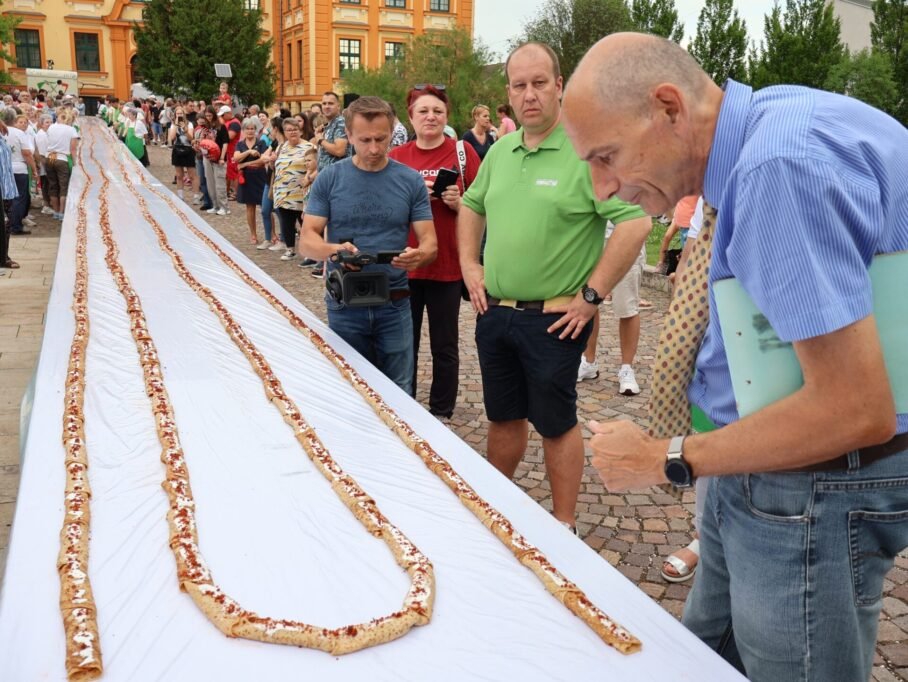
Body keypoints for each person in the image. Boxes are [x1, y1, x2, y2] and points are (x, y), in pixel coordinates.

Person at [563, 33, 908, 682]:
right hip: (764, 463)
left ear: (668, 108)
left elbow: (856, 408)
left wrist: (666, 458)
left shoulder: (778, 168)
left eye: (606, 157)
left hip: (809, 480)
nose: (603, 186)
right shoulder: (767, 129)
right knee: (704, 658)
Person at [457, 42, 651, 534]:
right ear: (508, 92)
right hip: (495, 313)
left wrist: (591, 297)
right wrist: (468, 263)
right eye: (519, 85)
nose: (530, 95)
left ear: (559, 86)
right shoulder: (501, 151)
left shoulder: (587, 153)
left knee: (556, 423)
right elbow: (473, 205)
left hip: (554, 319)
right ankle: (493, 509)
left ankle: (563, 524)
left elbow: (635, 223)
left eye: (540, 83)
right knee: (503, 417)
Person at [298, 96, 437, 395]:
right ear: (348, 135)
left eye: (381, 139)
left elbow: (430, 243)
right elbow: (307, 240)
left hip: (395, 303)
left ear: (391, 133)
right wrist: (334, 251)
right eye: (365, 140)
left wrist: (419, 256)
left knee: (400, 392)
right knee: (350, 391)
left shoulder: (410, 181)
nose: (374, 148)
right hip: (345, 303)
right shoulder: (329, 179)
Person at [389, 85, 481, 419]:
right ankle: (404, 404)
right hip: (405, 264)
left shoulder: (462, 152)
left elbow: (482, 207)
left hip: (447, 264)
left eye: (437, 111)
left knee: (445, 343)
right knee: (404, 343)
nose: (431, 117)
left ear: (447, 116)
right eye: (423, 111)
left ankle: (442, 409)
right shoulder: (397, 157)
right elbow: (384, 209)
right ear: (411, 116)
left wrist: (459, 203)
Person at [271, 117, 313, 260]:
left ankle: (309, 252)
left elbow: (314, 165)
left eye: (295, 129)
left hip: (302, 192)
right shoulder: (281, 147)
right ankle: (290, 249)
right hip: (283, 192)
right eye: (289, 130)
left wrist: (308, 178)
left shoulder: (309, 147)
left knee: (305, 223)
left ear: (300, 131)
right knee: (286, 223)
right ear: (284, 132)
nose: (292, 132)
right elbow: (275, 166)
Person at [2, 109, 36, 236]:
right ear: (14, 119)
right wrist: (34, 169)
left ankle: (9, 223)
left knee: (6, 197)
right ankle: (15, 226)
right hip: (18, 168)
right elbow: (27, 153)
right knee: (19, 198)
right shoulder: (19, 133)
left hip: (4, 168)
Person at [233, 119, 268, 245]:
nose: (250, 131)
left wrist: (246, 163)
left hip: (260, 176)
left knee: (265, 207)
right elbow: (236, 158)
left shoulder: (261, 143)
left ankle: (271, 234)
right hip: (246, 178)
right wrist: (248, 152)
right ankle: (253, 234)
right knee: (250, 207)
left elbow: (263, 160)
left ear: (256, 130)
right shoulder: (240, 144)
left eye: (252, 128)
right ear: (243, 130)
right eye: (247, 128)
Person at [44, 107, 79, 221]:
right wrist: (75, 163)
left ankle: (55, 211)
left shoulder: (51, 127)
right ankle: (61, 212)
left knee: (53, 185)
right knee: (63, 186)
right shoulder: (71, 130)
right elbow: (73, 149)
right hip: (62, 158)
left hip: (50, 157)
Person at [258, 116, 285, 251]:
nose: (269, 131)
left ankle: (284, 240)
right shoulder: (274, 143)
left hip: (280, 181)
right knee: (265, 210)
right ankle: (268, 239)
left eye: (270, 128)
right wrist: (270, 158)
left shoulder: (285, 144)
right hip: (269, 180)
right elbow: (263, 157)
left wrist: (271, 159)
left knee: (280, 212)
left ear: (275, 129)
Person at [656, 194, 698, 276]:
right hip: (680, 217)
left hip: (691, 221)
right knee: (667, 236)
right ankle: (661, 263)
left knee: (688, 245)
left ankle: (686, 268)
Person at [203, 106, 229, 216]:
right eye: (206, 116)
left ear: (214, 115)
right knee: (210, 183)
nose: (208, 118)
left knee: (220, 184)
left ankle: (224, 207)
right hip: (208, 158)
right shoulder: (206, 127)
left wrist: (222, 157)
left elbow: (225, 143)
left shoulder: (221, 127)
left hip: (219, 158)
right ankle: (215, 205)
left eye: (210, 115)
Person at [314, 91, 350, 171]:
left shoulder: (340, 123)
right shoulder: (329, 124)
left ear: (338, 106)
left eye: (330, 103)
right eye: (324, 104)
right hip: (327, 175)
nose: (327, 106)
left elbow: (339, 151)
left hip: (338, 175)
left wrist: (320, 140)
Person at [168, 105, 196, 200]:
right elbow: (172, 138)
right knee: (179, 175)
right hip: (177, 150)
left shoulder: (189, 124)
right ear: (175, 115)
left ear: (184, 114)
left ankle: (195, 195)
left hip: (188, 149)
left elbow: (191, 138)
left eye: (181, 113)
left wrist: (185, 128)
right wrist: (176, 125)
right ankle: (180, 195)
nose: (179, 115)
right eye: (177, 113)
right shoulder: (173, 125)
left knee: (192, 174)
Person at [192, 110, 214, 211]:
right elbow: (195, 142)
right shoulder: (198, 130)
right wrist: (195, 145)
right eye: (202, 118)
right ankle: (206, 201)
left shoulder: (212, 130)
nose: (203, 120)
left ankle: (212, 201)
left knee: (210, 180)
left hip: (209, 157)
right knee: (202, 180)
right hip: (200, 156)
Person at [220, 105, 242, 200]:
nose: (221, 117)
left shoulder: (234, 123)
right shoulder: (229, 122)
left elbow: (229, 137)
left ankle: (237, 194)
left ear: (228, 113)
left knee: (234, 173)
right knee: (229, 173)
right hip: (228, 151)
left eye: (223, 115)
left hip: (233, 151)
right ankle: (228, 191)